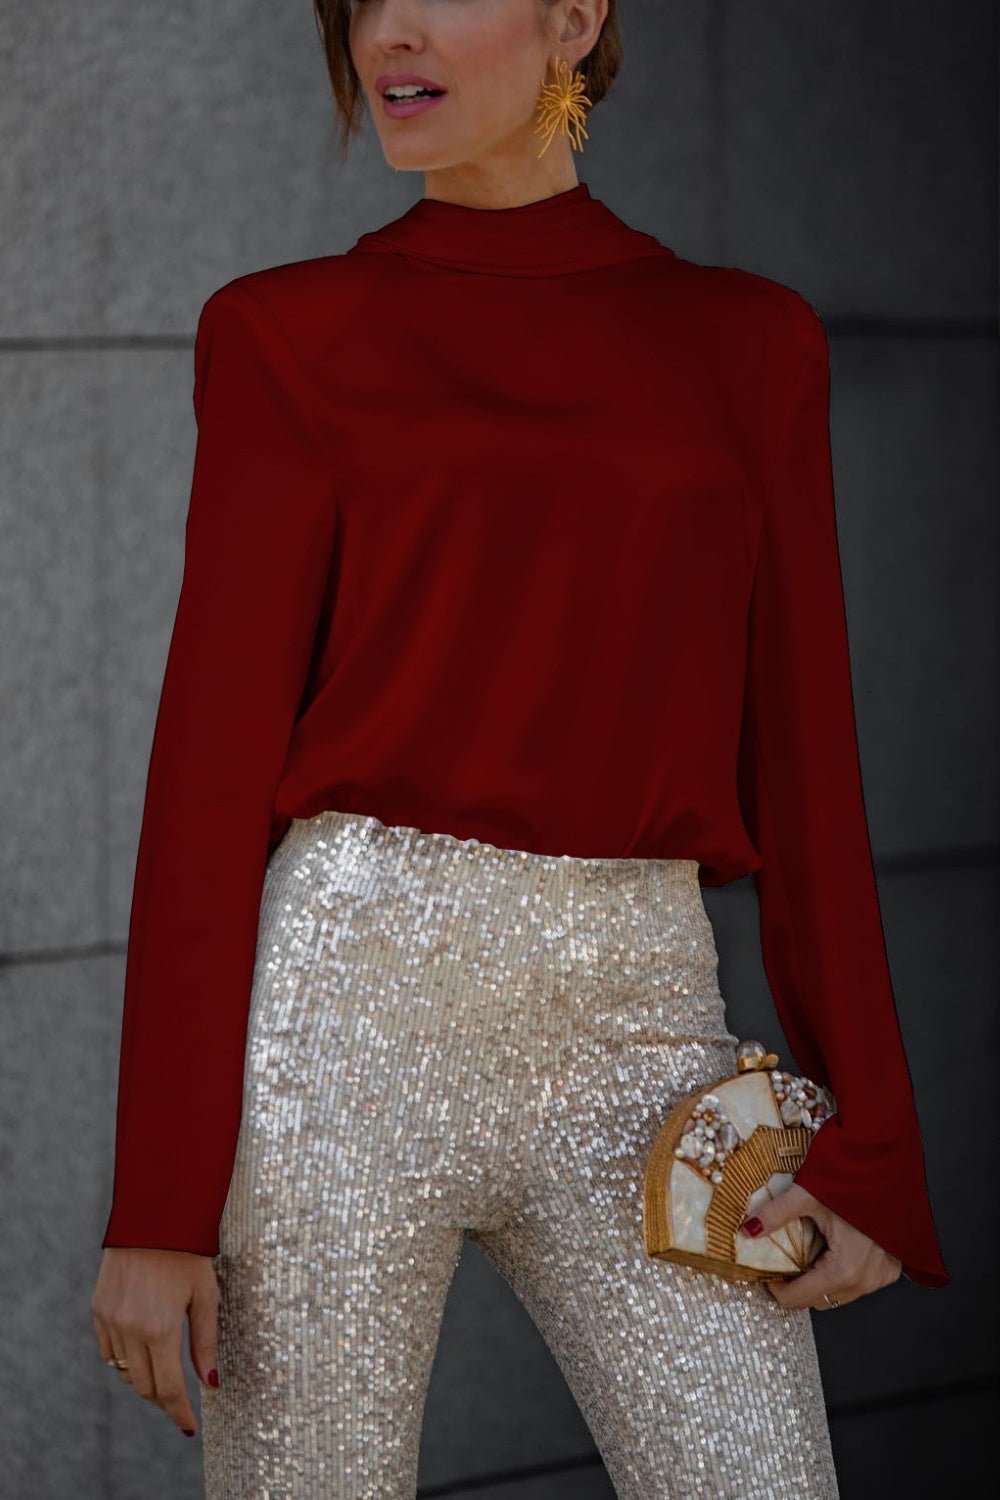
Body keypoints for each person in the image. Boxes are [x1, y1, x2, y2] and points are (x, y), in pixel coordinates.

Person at [89, 2, 949, 1496]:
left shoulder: (750, 343)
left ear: (574, 17)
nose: (390, 31)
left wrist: (871, 1134)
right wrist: (158, 1203)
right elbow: (209, 776)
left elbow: (809, 764)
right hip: (343, 1026)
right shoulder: (283, 334)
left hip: (646, 1024)